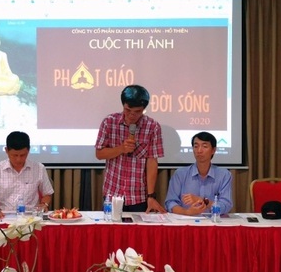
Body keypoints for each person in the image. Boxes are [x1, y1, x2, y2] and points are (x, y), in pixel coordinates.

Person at [95, 85, 166, 213]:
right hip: (113, 194)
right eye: (128, 110)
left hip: (138, 196)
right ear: (123, 105)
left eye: (137, 111)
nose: (132, 115)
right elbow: (99, 154)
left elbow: (152, 162)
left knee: (137, 233)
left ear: (144, 109)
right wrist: (121, 149)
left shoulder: (153, 127)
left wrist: (151, 196)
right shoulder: (109, 122)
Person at [0, 131, 53, 216]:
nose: (18, 159)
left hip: (31, 218)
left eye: (22, 155)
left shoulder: (39, 168)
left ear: (28, 150)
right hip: (5, 216)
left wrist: (44, 204)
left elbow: (47, 194)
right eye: (14, 155)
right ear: (6, 150)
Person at [165, 131, 233, 215]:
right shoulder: (180, 174)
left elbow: (225, 205)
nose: (199, 150)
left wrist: (203, 200)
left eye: (204, 146)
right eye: (196, 146)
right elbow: (170, 202)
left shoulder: (224, 175)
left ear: (213, 150)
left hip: (212, 222)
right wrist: (187, 212)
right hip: (186, 221)